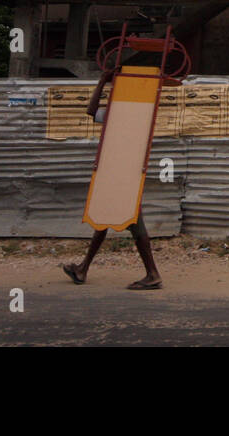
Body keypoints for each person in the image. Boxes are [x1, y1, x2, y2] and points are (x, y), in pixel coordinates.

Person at [62, 67, 163, 290]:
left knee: (133, 223)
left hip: (125, 177)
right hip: (118, 175)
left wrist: (102, 81)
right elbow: (92, 111)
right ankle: (83, 268)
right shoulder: (124, 115)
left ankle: (153, 274)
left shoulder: (128, 117)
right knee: (104, 218)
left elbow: (91, 111)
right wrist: (103, 82)